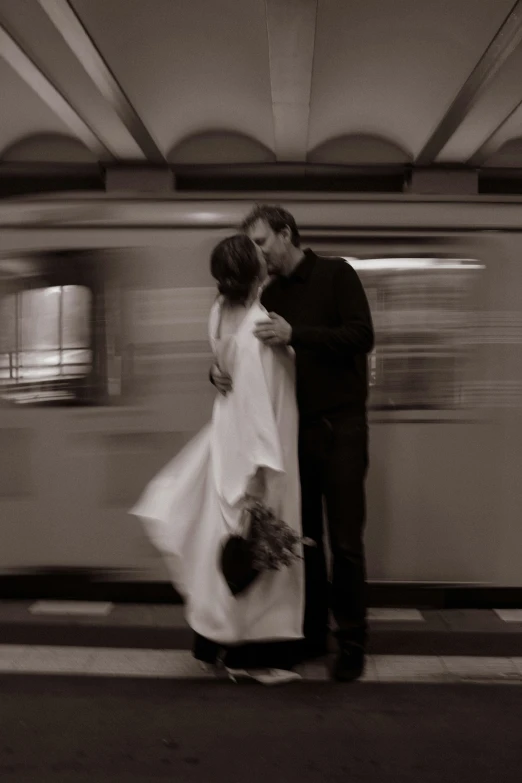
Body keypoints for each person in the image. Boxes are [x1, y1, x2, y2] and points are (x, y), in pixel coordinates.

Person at [130, 233, 305, 685]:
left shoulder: (218, 314)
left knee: (220, 548)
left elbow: (223, 369)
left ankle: (210, 648)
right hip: (256, 454)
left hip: (224, 442)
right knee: (261, 556)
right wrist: (258, 480)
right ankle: (253, 658)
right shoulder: (258, 331)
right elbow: (258, 408)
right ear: (258, 273)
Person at [210, 205, 374, 682]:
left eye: (262, 243)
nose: (258, 255)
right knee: (307, 540)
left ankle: (352, 639)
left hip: (342, 426)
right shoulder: (269, 294)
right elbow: (242, 356)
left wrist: (295, 334)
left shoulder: (337, 274)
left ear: (286, 234)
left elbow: (362, 336)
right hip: (295, 431)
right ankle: (309, 632)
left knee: (345, 540)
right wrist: (217, 373)